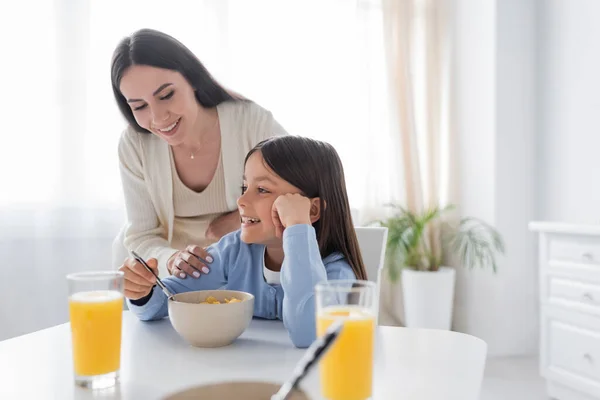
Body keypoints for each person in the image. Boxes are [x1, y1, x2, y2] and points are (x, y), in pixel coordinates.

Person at [119, 136, 368, 348]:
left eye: (262, 190)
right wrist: (142, 291)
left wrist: (298, 228)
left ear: (312, 210)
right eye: (244, 186)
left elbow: (308, 332)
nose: (241, 200)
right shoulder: (233, 252)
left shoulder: (335, 274)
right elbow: (164, 301)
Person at [111, 28, 287, 277]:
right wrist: (172, 260)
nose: (158, 118)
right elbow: (141, 236)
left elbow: (303, 190)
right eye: (139, 106)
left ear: (191, 79)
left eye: (166, 95)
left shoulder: (251, 122)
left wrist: (239, 220)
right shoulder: (135, 145)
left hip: (249, 273)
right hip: (170, 281)